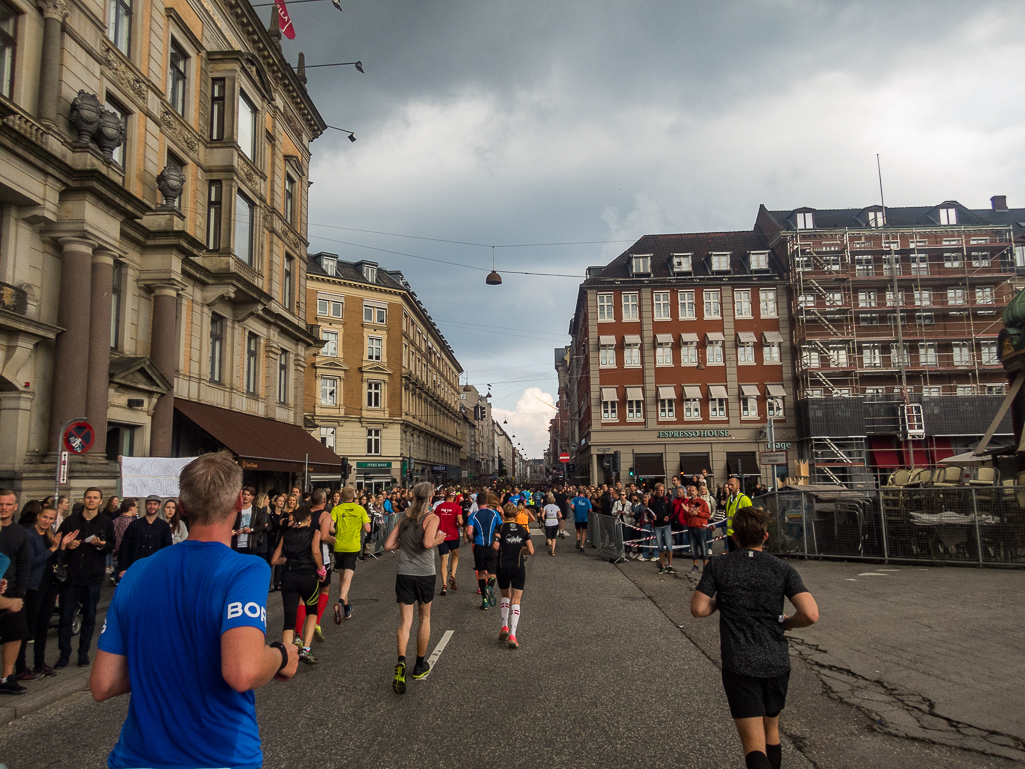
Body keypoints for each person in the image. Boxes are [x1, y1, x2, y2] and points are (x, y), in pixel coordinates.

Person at [92, 451, 298, 768]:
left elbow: (103, 684)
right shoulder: (245, 570)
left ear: (183, 506)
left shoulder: (137, 572)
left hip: (135, 758)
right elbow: (242, 672)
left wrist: (170, 662)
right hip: (220, 757)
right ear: (239, 505)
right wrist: (282, 655)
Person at [690, 507, 819, 769]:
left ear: (734, 537)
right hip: (776, 662)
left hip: (740, 664)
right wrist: (787, 623)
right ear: (766, 536)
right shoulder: (781, 568)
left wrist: (720, 601)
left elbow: (698, 609)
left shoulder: (719, 566)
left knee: (753, 745)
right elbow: (810, 614)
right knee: (772, 731)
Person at [384, 481, 445, 694]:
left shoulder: (403, 518)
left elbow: (388, 545)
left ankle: (401, 661)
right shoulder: (432, 517)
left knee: (405, 622)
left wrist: (405, 541)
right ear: (429, 498)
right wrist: (438, 539)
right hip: (424, 573)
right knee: (425, 618)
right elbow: (428, 543)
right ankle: (419, 664)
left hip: (404, 573)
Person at [15, 504, 75, 680]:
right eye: (45, 517)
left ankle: (39, 663)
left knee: (43, 625)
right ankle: (20, 666)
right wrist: (52, 549)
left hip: (49, 585)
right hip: (34, 586)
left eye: (51, 519)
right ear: (38, 516)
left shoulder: (49, 535)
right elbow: (31, 561)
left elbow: (56, 560)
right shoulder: (29, 535)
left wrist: (61, 547)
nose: (47, 521)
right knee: (28, 627)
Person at [56, 488, 114, 669]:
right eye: (89, 497)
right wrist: (66, 545)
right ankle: (64, 654)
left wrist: (100, 546)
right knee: (65, 617)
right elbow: (57, 544)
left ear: (100, 501)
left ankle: (83, 653)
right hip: (71, 577)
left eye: (95, 498)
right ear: (84, 499)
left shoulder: (105, 522)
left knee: (89, 617)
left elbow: (111, 546)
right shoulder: (70, 521)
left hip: (93, 577)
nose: (91, 500)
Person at [271, 501, 323, 664]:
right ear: (308, 519)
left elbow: (274, 559)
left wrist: (289, 561)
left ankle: (286, 656)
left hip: (289, 577)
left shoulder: (287, 535)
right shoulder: (314, 532)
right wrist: (321, 569)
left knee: (289, 617)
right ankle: (306, 649)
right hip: (308, 576)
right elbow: (315, 552)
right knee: (312, 611)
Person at [0, 489, 31, 694]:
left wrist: (20, 591)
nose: (3, 508)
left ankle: (6, 677)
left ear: (15, 506)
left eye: (8, 504)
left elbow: (24, 563)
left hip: (11, 589)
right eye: (0, 504)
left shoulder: (20, 533)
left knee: (14, 635)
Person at [494, 504, 534, 649]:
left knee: (505, 596)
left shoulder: (500, 528)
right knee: (516, 599)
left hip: (502, 566)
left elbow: (495, 546)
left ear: (503, 514)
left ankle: (504, 625)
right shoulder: (523, 529)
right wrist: (520, 550)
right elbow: (531, 550)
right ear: (517, 514)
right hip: (518, 567)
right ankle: (512, 633)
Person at [330, 487, 370, 623]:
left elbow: (330, 527)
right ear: (354, 496)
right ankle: (341, 601)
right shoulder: (360, 509)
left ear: (341, 497)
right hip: (352, 547)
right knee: (348, 578)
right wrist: (359, 526)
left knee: (341, 578)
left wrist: (338, 530)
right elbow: (368, 528)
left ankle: (346, 609)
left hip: (339, 546)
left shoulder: (336, 510)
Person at [118, 496, 173, 578]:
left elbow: (167, 549)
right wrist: (123, 568)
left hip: (156, 568)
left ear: (159, 506)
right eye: (149, 504)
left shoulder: (164, 526)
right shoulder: (134, 525)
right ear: (145, 505)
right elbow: (125, 547)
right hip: (136, 567)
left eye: (155, 504)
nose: (152, 506)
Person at [465, 493, 501, 610]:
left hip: (479, 545)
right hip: (491, 545)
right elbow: (500, 528)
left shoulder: (473, 516)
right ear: (487, 502)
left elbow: (469, 532)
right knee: (492, 572)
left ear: (476, 503)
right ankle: (490, 586)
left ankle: (484, 600)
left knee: (481, 572)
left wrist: (470, 538)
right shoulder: (494, 513)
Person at [434, 490, 462, 596]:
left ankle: (444, 585)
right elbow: (461, 522)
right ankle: (453, 575)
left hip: (442, 536)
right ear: (454, 496)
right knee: (455, 555)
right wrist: (458, 525)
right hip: (453, 535)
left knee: (443, 561)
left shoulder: (439, 507)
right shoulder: (456, 507)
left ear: (445, 495)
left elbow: (435, 520)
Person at [110, 498, 138, 586]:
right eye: (136, 507)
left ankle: (114, 576)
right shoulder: (133, 524)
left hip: (114, 554)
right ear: (131, 508)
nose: (137, 509)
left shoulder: (114, 521)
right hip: (127, 556)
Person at [683, 485, 711, 573]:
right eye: (690, 491)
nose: (692, 492)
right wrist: (688, 512)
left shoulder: (702, 502)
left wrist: (698, 513)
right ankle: (695, 565)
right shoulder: (688, 503)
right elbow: (685, 517)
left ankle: (706, 566)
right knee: (693, 548)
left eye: (693, 490)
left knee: (703, 547)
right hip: (691, 527)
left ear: (697, 492)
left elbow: (707, 515)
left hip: (701, 527)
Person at [649, 483, 674, 574]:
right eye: (660, 490)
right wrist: (652, 516)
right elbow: (648, 511)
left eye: (663, 490)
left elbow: (671, 511)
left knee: (669, 545)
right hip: (657, 525)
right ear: (656, 490)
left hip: (666, 525)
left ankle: (670, 565)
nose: (661, 492)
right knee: (660, 546)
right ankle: (663, 565)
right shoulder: (652, 500)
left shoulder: (667, 499)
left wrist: (668, 516)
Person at [725, 477, 753, 554]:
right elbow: (728, 518)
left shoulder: (744, 499)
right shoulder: (729, 499)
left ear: (738, 486)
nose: (729, 487)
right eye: (728, 485)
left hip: (740, 536)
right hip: (730, 535)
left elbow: (750, 519)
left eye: (732, 485)